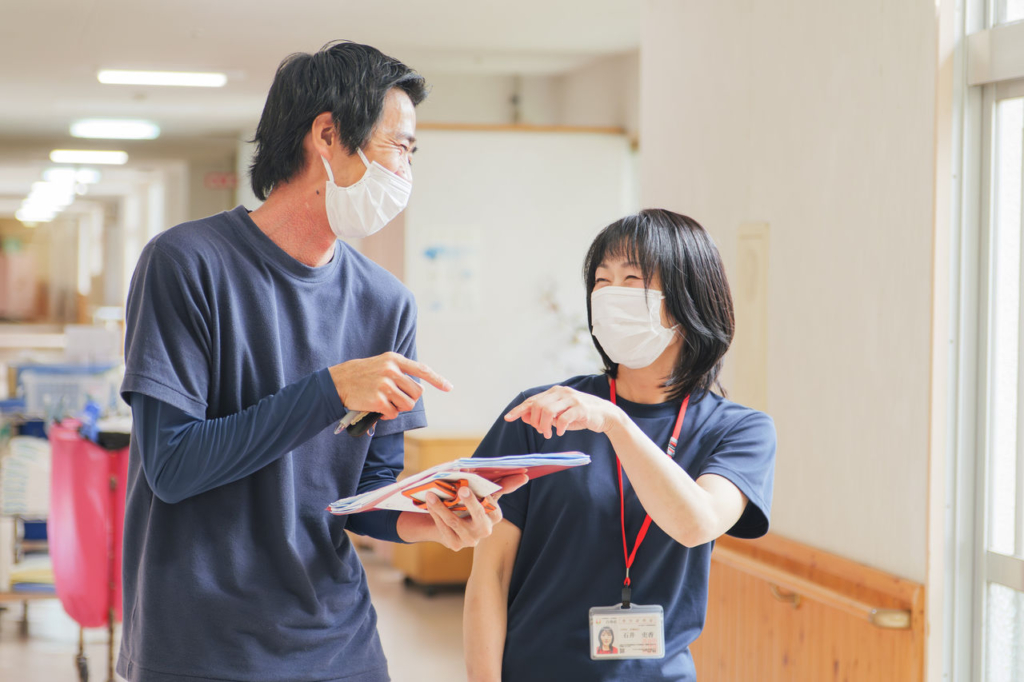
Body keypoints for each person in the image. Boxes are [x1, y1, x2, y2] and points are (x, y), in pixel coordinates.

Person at [119, 41, 523, 682]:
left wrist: (431, 519)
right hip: (201, 646)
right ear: (328, 135)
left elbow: (368, 489)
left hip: (338, 643)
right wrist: (330, 390)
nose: (406, 171)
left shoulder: (386, 303)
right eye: (400, 147)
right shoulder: (186, 263)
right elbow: (172, 465)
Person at [463, 209, 776, 681]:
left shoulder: (738, 431)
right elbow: (490, 574)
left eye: (632, 280)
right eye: (601, 281)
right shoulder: (540, 413)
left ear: (689, 301)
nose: (610, 296)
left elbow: (697, 523)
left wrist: (614, 422)